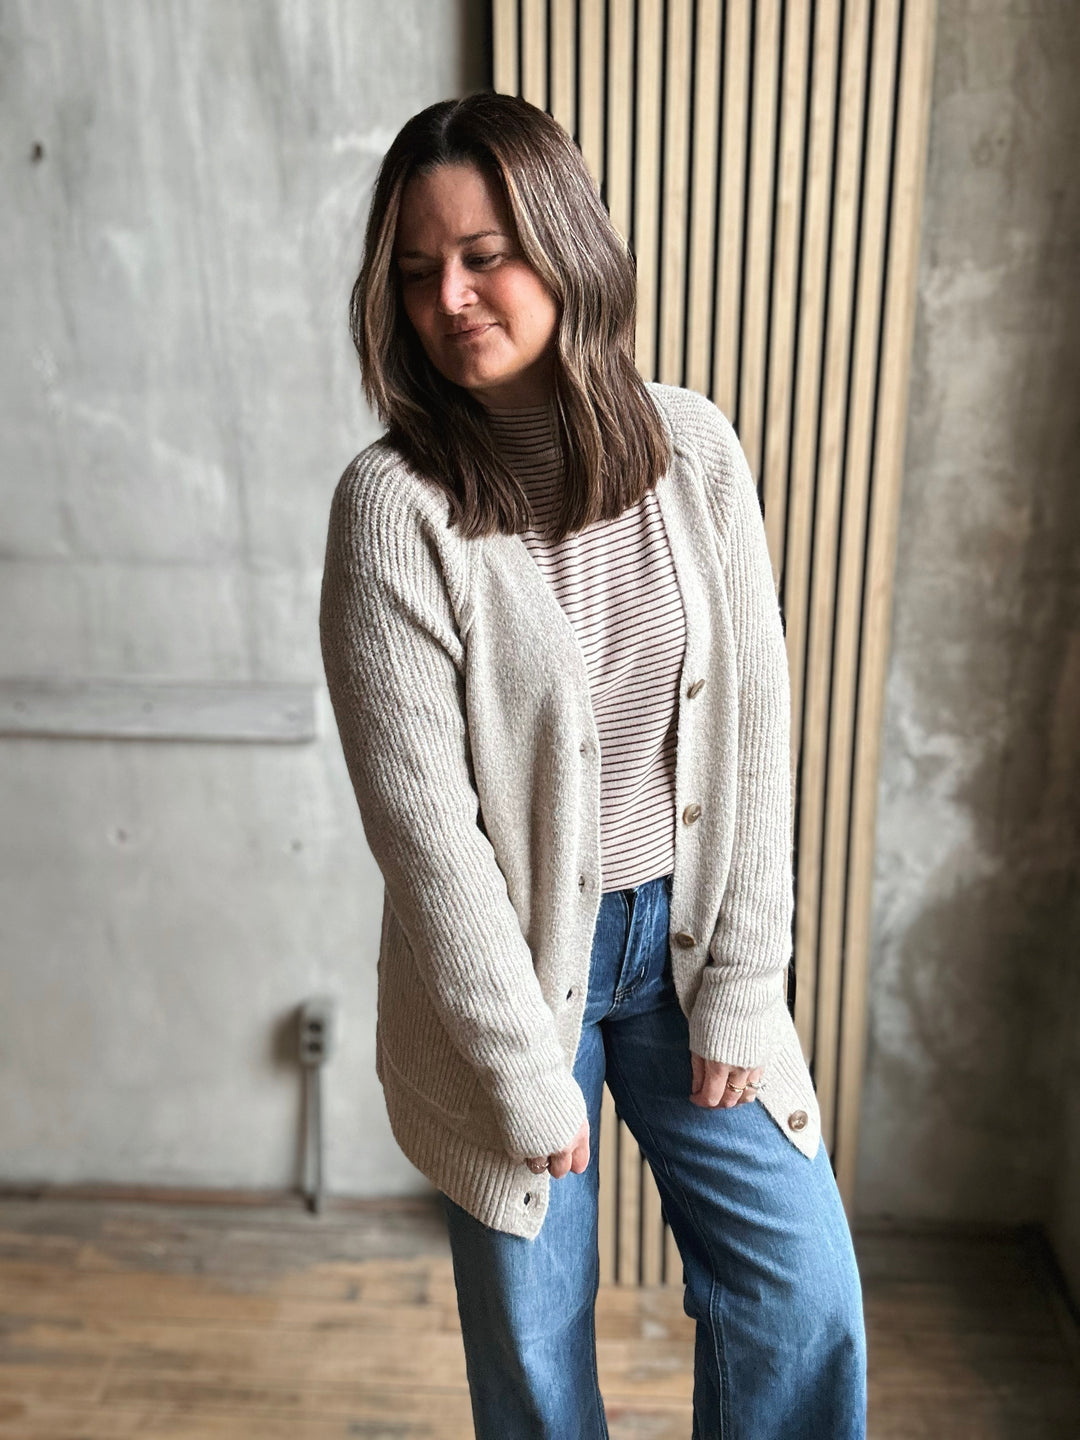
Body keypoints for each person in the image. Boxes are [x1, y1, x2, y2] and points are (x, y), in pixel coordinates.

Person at [319, 89, 867, 1440]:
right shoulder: (394, 511)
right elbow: (424, 831)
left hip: (681, 952)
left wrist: (745, 980)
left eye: (484, 251)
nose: (450, 294)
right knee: (537, 1372)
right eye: (415, 268)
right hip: (510, 985)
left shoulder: (696, 451)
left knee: (803, 1304)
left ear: (563, 243)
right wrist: (518, 1066)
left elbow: (754, 729)